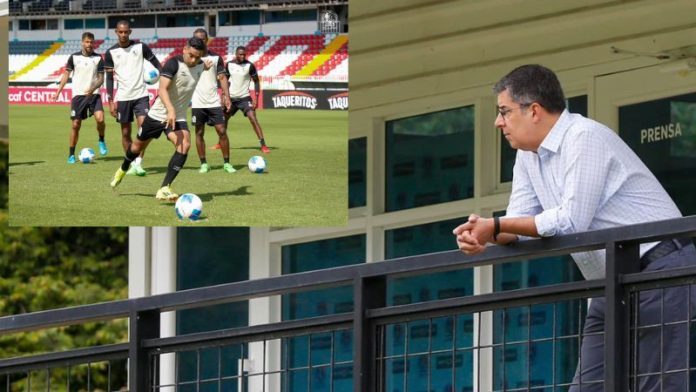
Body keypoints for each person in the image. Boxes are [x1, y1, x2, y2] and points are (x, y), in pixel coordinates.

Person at [452, 64, 696, 391]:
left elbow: (571, 220)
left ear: (534, 110)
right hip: (610, 284)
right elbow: (517, 220)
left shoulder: (584, 137)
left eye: (504, 111)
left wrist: (495, 224)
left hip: (660, 267)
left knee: (657, 386)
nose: (498, 122)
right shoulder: (528, 156)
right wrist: (486, 234)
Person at [110, 37, 212, 201]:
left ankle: (164, 187)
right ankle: (122, 169)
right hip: (158, 114)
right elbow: (162, 89)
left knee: (184, 143)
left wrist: (205, 66)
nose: (194, 60)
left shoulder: (200, 64)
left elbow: (201, 67)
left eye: (198, 57)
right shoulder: (173, 64)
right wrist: (170, 109)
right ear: (185, 49)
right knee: (136, 148)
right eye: (191, 55)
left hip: (177, 116)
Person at [104, 19, 161, 176]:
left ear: (130, 32)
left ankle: (138, 163)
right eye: (120, 32)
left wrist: (164, 79)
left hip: (141, 95)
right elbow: (109, 79)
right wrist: (110, 101)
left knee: (144, 129)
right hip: (122, 97)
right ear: (116, 32)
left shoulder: (141, 47)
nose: (123, 34)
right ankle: (129, 162)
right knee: (125, 133)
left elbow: (157, 64)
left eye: (126, 32)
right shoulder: (110, 53)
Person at [53, 32, 107, 163]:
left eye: (91, 42)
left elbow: (101, 78)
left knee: (100, 119)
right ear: (82, 42)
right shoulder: (74, 57)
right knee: (76, 125)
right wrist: (58, 91)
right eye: (87, 42)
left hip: (94, 95)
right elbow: (66, 74)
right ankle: (71, 154)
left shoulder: (98, 58)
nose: (89, 44)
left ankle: (101, 140)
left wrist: (93, 89)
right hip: (78, 96)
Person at [190, 28, 234, 174]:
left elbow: (222, 77)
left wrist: (226, 96)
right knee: (199, 132)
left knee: (222, 131)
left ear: (207, 39)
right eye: (196, 39)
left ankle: (227, 163)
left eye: (202, 39)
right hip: (197, 102)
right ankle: (204, 163)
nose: (199, 41)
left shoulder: (216, 57)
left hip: (214, 101)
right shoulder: (190, 58)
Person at [225, 46, 270, 154]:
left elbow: (256, 82)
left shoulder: (250, 65)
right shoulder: (229, 65)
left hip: (245, 98)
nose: (242, 56)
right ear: (236, 54)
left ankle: (263, 145)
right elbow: (224, 80)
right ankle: (220, 143)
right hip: (231, 98)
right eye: (240, 54)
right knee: (223, 120)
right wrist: (224, 96)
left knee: (253, 118)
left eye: (244, 54)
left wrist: (256, 98)